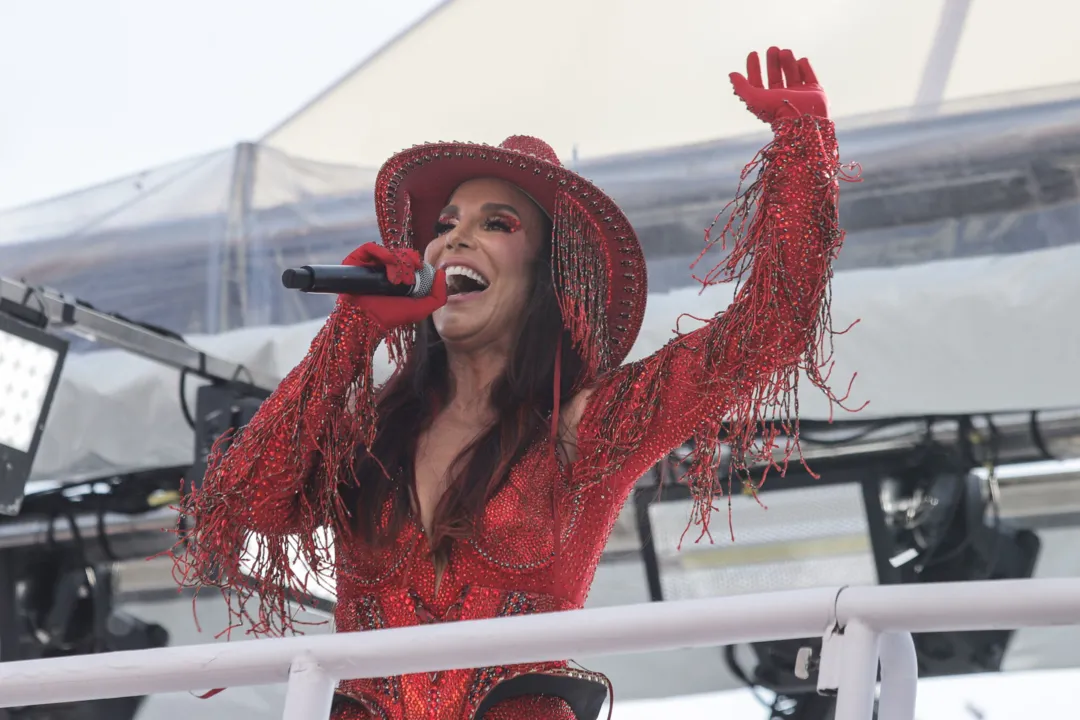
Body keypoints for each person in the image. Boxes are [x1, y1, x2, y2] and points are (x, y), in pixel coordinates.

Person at [174, 47, 851, 719]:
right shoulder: (372, 428)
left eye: (495, 225)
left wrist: (804, 151)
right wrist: (353, 329)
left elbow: (770, 328)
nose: (453, 241)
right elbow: (243, 503)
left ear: (546, 272)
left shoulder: (591, 421)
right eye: (445, 227)